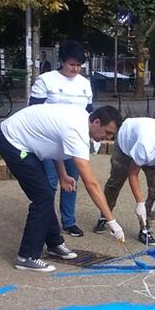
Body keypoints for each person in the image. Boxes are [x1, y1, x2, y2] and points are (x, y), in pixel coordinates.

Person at [0, 104, 123, 272]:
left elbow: (55, 145)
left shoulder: (82, 119)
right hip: (12, 141)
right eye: (107, 132)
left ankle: (54, 244)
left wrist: (62, 175)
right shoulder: (76, 131)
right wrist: (111, 221)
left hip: (25, 140)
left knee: (45, 194)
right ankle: (26, 257)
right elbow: (91, 183)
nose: (107, 137)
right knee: (42, 197)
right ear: (97, 122)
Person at [29, 40, 94, 237]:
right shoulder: (46, 80)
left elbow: (89, 112)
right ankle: (48, 221)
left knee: (72, 180)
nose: (75, 68)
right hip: (49, 139)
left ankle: (69, 221)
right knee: (50, 181)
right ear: (62, 62)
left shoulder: (85, 83)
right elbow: (33, 110)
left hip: (75, 138)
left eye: (78, 65)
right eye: (71, 64)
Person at [93, 117, 155, 244]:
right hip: (126, 144)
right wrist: (139, 202)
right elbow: (133, 174)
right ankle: (105, 216)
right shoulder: (146, 147)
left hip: (150, 151)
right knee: (115, 182)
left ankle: (145, 229)